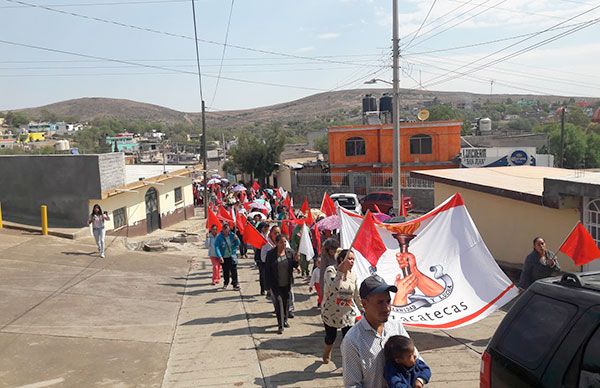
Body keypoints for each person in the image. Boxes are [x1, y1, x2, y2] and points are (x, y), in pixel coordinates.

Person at [341, 275, 422, 388]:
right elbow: (352, 385)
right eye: (380, 302)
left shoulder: (396, 327)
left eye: (388, 301)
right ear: (364, 304)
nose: (387, 307)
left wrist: (419, 380)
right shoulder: (352, 340)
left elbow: (417, 360)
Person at [321, 249, 363, 364]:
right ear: (341, 260)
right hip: (331, 311)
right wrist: (340, 272)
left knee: (347, 341)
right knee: (331, 337)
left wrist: (362, 309)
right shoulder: (330, 271)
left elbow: (356, 295)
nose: (352, 261)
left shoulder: (353, 275)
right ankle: (326, 352)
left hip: (347, 313)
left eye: (353, 259)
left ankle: (346, 364)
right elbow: (333, 287)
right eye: (349, 259)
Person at [265, 234, 298, 334]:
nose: (283, 244)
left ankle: (285, 320)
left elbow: (294, 265)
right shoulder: (270, 254)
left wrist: (297, 260)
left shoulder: (290, 253)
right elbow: (267, 271)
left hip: (287, 283)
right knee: (278, 303)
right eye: (281, 242)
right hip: (275, 284)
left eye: (285, 242)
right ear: (276, 243)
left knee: (286, 302)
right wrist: (267, 286)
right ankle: (280, 325)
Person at [214, 223, 241, 290]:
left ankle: (235, 284)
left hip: (232, 256)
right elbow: (216, 247)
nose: (226, 232)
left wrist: (237, 239)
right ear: (222, 230)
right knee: (226, 271)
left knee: (234, 271)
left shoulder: (232, 235)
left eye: (227, 230)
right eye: (225, 230)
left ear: (229, 230)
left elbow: (238, 244)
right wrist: (220, 256)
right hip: (224, 257)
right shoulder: (219, 237)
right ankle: (226, 283)